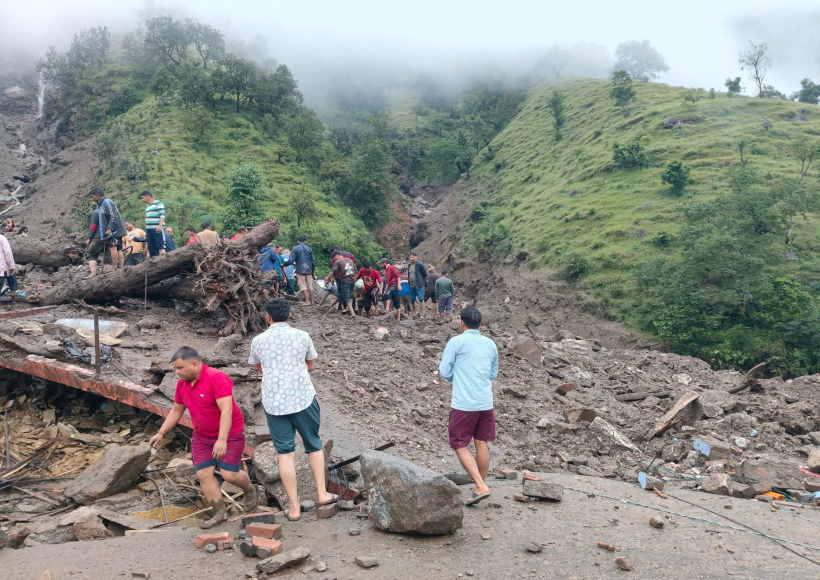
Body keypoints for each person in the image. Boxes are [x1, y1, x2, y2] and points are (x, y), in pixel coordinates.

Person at [248, 299, 337, 521]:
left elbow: (259, 367)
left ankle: (294, 507)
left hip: (275, 402)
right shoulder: (302, 336)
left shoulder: (258, 341)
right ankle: (322, 493)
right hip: (303, 397)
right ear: (288, 315)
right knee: (314, 444)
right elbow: (311, 364)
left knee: (284, 454)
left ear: (268, 316)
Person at [149, 347, 257, 528]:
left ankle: (249, 489)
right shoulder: (183, 385)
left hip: (229, 434)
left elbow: (227, 410)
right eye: (175, 369)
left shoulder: (216, 378)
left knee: (229, 474)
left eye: (180, 368)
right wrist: (161, 432)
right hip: (202, 436)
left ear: (194, 363)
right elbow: (176, 410)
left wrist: (222, 440)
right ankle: (219, 512)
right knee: (203, 473)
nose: (177, 373)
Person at [438, 307, 499, 506]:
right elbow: (492, 373)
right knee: (481, 442)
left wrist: (460, 377)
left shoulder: (457, 342)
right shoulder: (490, 344)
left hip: (464, 403)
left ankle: (481, 486)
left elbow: (444, 371)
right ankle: (479, 486)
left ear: (462, 322)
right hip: (485, 402)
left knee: (459, 443)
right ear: (479, 324)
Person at [87, 187, 125, 277]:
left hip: (113, 230)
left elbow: (113, 215)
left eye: (92, 197)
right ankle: (120, 267)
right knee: (118, 248)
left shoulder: (106, 202)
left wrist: (109, 228)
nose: (92, 199)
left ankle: (115, 268)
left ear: (97, 195)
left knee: (113, 247)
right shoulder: (101, 204)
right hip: (116, 229)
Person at [326, 250, 356, 316]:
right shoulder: (350, 260)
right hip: (352, 280)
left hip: (344, 281)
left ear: (337, 255)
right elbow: (355, 269)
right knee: (350, 296)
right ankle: (349, 310)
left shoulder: (338, 262)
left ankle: (352, 313)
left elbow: (333, 271)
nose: (334, 259)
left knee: (345, 297)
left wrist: (328, 278)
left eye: (334, 258)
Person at [288, 235, 315, 305]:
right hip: (309, 270)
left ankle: (307, 301)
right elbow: (313, 261)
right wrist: (313, 272)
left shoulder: (295, 249)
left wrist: (284, 265)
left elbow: (291, 260)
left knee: (302, 285)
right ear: (305, 241)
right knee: (310, 286)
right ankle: (313, 302)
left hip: (300, 270)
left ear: (298, 241)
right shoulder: (309, 249)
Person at [138, 190, 166, 257]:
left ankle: (164, 262)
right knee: (151, 248)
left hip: (156, 229)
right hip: (149, 230)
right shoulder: (148, 207)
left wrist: (160, 226)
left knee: (160, 246)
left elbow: (162, 215)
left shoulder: (158, 203)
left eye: (143, 198)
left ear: (148, 196)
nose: (142, 200)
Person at [0, 231, 16, 299]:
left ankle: (11, 291)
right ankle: (11, 291)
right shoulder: (2, 238)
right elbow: (8, 253)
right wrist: (11, 265)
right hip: (2, 268)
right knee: (11, 274)